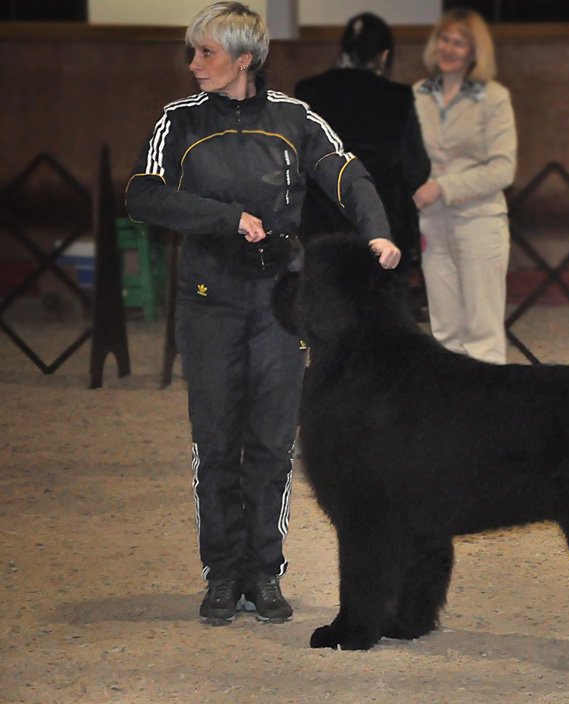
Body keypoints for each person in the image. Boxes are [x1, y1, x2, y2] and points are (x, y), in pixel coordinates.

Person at [125, 1, 400, 625]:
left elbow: (347, 174)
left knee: (273, 442)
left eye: (206, 53)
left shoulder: (295, 118)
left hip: (279, 305)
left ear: (245, 59)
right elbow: (143, 194)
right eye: (192, 52)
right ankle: (222, 574)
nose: (194, 64)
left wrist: (377, 231)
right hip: (208, 303)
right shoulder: (179, 121)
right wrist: (225, 219)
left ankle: (265, 573)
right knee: (217, 442)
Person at [413, 8, 517, 364]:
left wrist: (444, 186)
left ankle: (490, 417)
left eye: (460, 43)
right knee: (444, 332)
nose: (449, 48)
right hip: (432, 223)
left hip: (480, 221)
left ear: (475, 52)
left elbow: (503, 169)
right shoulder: (417, 93)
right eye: (445, 39)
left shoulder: (493, 97)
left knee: (482, 332)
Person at [294, 12, 430, 284]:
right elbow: (415, 167)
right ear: (384, 55)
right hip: (383, 221)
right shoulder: (401, 98)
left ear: (343, 49)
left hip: (321, 220)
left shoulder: (308, 90)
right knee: (380, 311)